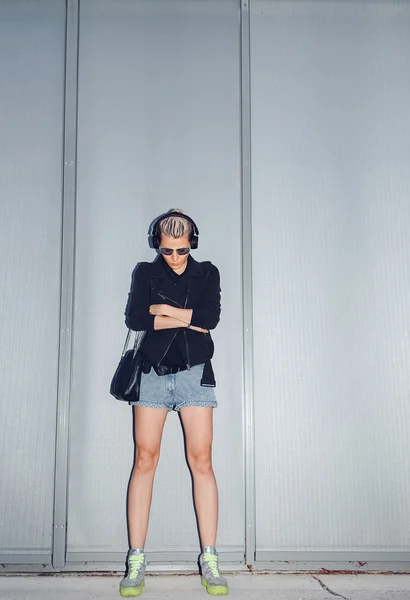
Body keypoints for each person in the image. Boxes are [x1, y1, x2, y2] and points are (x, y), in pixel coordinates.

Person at [119, 210, 228, 597]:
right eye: (167, 250)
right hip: (151, 373)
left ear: (192, 243)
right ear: (157, 244)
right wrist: (185, 318)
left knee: (202, 462)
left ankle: (210, 559)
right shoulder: (145, 273)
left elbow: (210, 319)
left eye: (182, 249)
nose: (175, 257)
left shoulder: (207, 273)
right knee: (144, 460)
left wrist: (161, 311)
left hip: (194, 372)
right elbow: (135, 317)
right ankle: (136, 560)